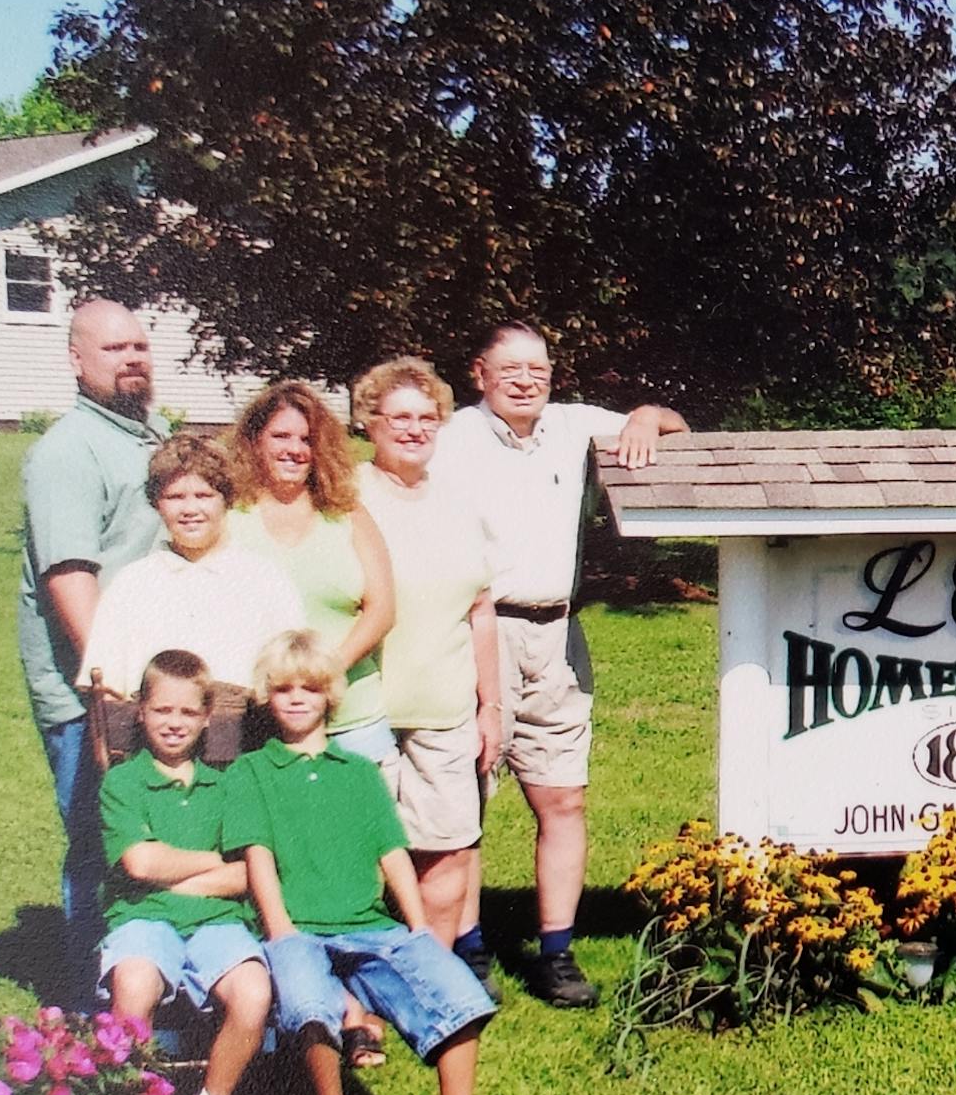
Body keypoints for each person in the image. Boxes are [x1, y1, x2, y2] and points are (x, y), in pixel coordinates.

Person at [222, 631, 540, 1095]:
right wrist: (282, 932)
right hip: (298, 929)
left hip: (370, 924)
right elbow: (258, 858)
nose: (297, 698)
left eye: (311, 688)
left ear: (331, 696)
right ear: (268, 697)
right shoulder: (252, 772)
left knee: (460, 995)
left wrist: (419, 927)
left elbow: (392, 853)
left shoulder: (358, 771)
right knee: (308, 1007)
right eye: (284, 688)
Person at [431, 322, 687, 1008]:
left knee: (564, 797)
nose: (525, 379)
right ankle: (466, 947)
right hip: (476, 633)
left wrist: (641, 417)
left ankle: (556, 952)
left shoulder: (573, 425)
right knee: (468, 802)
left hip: (558, 634)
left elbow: (673, 424)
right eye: (510, 368)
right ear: (479, 373)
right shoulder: (451, 438)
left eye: (538, 368)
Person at [18, 299, 168, 996]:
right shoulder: (66, 452)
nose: (131, 358)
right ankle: (92, 1014)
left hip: (157, 687)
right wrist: (118, 685)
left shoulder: (150, 435)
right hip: (93, 693)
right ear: (76, 361)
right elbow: (70, 578)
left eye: (139, 345)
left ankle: (150, 993)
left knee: (152, 837)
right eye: (113, 349)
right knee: (97, 845)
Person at [96, 649, 272, 1095]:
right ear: (141, 713)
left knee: (253, 991)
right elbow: (138, 866)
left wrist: (176, 871)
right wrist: (207, 862)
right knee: (135, 986)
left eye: (187, 712)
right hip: (142, 918)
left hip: (218, 919)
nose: (174, 722)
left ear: (206, 719)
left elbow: (249, 871)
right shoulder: (123, 783)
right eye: (161, 709)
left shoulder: (229, 786)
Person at [352, 358, 499, 966]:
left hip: (446, 706)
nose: (414, 429)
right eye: (399, 417)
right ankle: (358, 982)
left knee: (449, 849)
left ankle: (429, 976)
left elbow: (481, 610)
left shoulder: (461, 504)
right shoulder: (347, 496)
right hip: (364, 708)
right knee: (361, 853)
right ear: (370, 422)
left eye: (427, 418)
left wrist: (490, 707)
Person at [225, 380, 397, 762]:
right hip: (256, 724)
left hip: (351, 721)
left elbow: (382, 608)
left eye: (306, 440)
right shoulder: (230, 517)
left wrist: (323, 673)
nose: (295, 450)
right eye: (281, 436)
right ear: (255, 442)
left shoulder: (346, 513)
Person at [77, 435, 305, 697]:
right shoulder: (132, 584)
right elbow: (106, 691)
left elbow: (294, 679)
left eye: (204, 495)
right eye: (175, 497)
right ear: (156, 503)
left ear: (227, 499)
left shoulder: (265, 579)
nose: (189, 509)